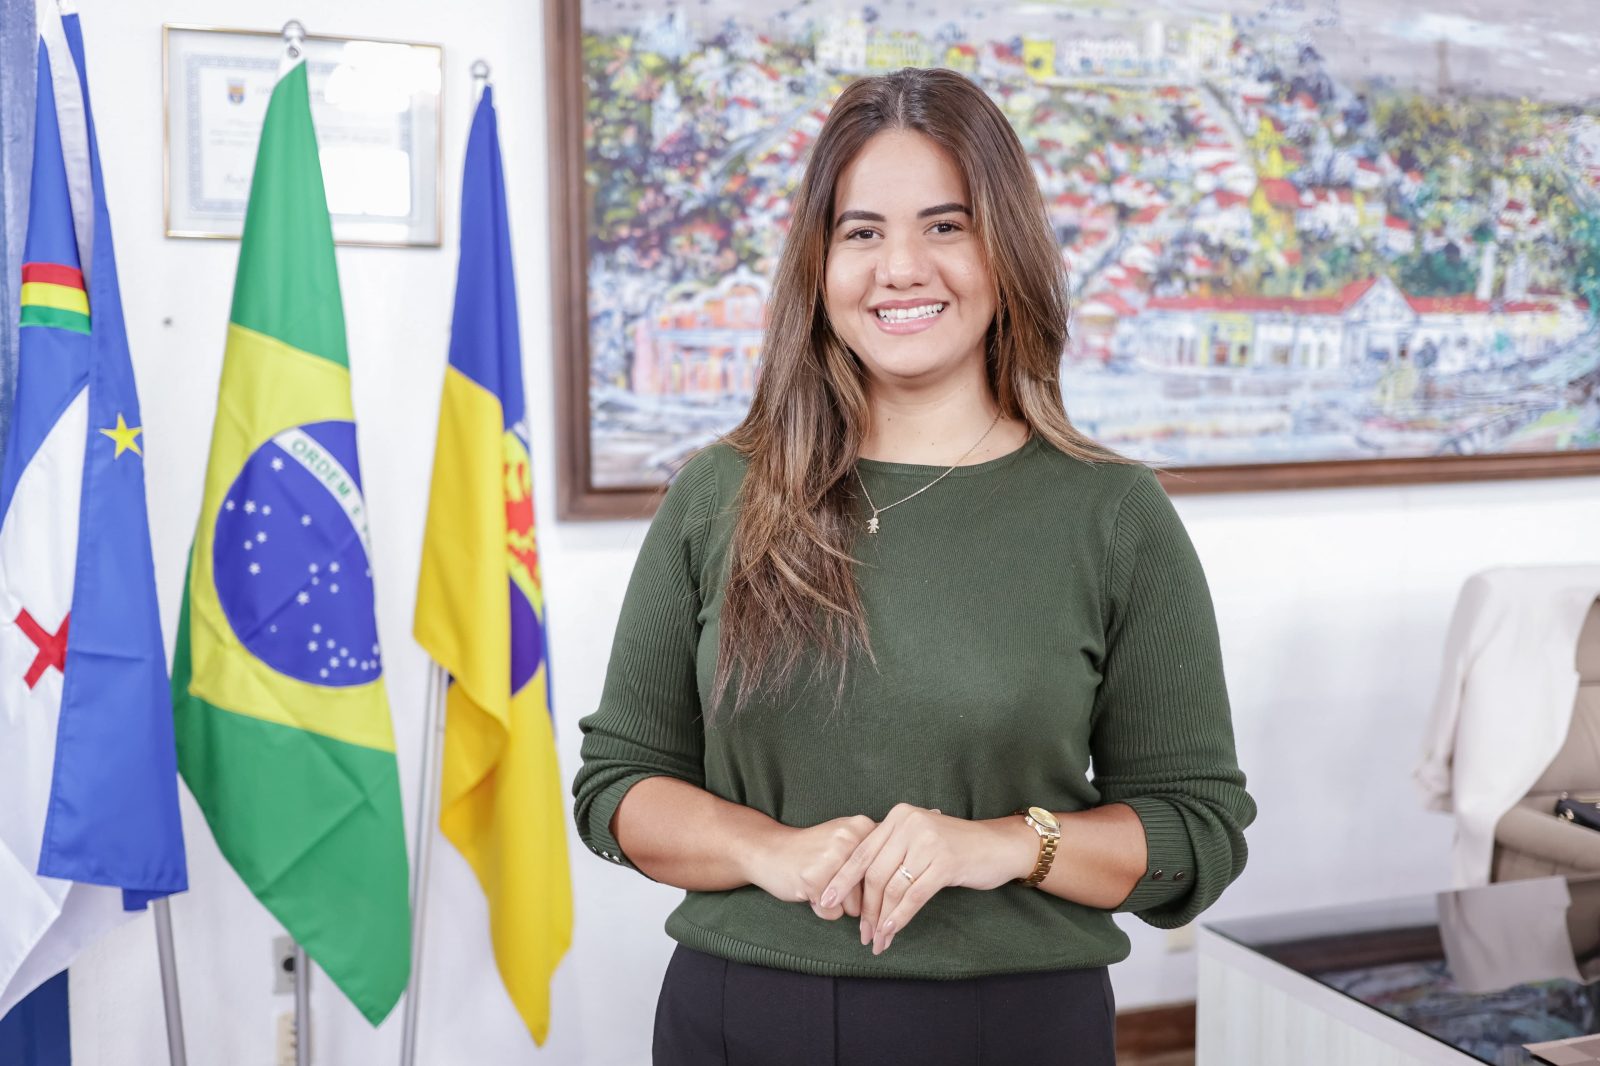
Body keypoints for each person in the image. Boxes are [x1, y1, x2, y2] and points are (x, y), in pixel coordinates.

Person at [572, 66, 1255, 1064]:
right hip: (736, 1019)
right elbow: (618, 786)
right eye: (861, 232)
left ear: (1005, 248)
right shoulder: (718, 495)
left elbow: (1197, 830)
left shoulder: (1112, 515)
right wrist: (771, 851)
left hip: (1008, 1026)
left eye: (946, 225)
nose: (900, 267)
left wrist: (1004, 843)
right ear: (819, 263)